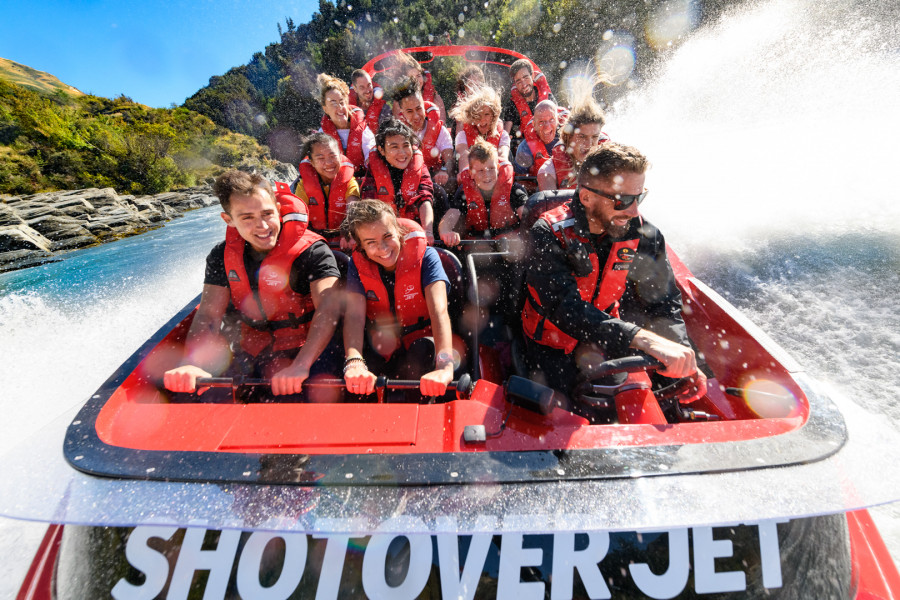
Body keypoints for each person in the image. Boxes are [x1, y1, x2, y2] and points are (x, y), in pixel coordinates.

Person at [522, 143, 706, 405]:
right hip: (552, 346)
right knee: (559, 418)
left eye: (639, 198)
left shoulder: (645, 234)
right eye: (623, 200)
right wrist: (641, 339)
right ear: (586, 197)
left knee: (634, 407)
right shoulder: (548, 232)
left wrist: (680, 351)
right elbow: (564, 308)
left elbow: (664, 303)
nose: (633, 211)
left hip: (608, 340)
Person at [163, 170, 342, 400]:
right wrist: (192, 363)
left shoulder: (313, 252)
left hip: (308, 351)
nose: (262, 225)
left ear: (278, 209)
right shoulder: (221, 256)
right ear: (228, 220)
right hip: (250, 353)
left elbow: (328, 312)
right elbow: (208, 315)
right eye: (247, 217)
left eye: (267, 213)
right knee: (194, 396)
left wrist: (300, 365)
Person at [341, 199, 455, 399]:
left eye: (387, 236)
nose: (383, 248)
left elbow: (439, 312)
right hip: (382, 342)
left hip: (423, 340)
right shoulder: (356, 266)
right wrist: (354, 360)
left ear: (398, 231)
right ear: (361, 247)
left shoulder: (427, 257)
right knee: (360, 373)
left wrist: (444, 366)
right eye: (371, 243)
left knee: (420, 354)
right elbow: (354, 317)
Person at [361, 119, 437, 244]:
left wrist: (427, 232)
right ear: (381, 150)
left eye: (406, 145)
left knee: (439, 193)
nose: (402, 153)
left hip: (415, 226)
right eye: (394, 147)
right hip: (386, 228)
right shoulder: (374, 168)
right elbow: (369, 205)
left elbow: (425, 199)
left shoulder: (418, 166)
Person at [439, 139, 527, 244]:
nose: (487, 175)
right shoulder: (464, 192)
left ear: (498, 169)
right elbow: (449, 219)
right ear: (471, 173)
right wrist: (446, 231)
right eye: (480, 170)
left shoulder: (514, 190)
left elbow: (529, 219)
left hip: (510, 249)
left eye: (491, 168)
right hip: (477, 249)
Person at [294, 132, 360, 247]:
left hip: (343, 239)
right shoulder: (303, 185)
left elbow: (353, 206)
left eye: (333, 156)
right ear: (311, 162)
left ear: (340, 155)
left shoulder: (349, 181)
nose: (329, 163)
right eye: (320, 158)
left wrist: (349, 231)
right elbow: (298, 212)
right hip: (313, 239)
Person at [392, 76, 454, 191]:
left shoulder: (439, 129)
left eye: (419, 109)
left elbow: (449, 160)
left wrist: (444, 171)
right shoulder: (395, 133)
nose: (416, 116)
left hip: (433, 180)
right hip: (407, 182)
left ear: (424, 104)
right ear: (402, 111)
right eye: (409, 111)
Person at [538, 99, 609, 191]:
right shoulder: (547, 172)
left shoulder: (611, 165)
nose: (589, 144)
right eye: (582, 136)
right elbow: (550, 205)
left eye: (595, 137)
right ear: (569, 137)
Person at [317, 73, 375, 177]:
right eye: (333, 103)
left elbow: (370, 153)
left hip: (362, 178)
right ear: (325, 109)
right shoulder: (322, 134)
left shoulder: (363, 129)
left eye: (341, 102)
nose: (339, 107)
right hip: (337, 180)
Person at [448, 85, 511, 175]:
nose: (482, 120)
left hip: (495, 179)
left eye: (486, 114)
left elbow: (503, 160)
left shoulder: (503, 135)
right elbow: (464, 164)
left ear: (493, 115)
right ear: (472, 117)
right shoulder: (462, 136)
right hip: (472, 180)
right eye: (478, 115)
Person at [502, 59, 557, 141]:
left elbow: (560, 123)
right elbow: (506, 134)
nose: (524, 85)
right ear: (515, 84)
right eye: (518, 81)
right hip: (526, 148)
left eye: (526, 77)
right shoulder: (512, 105)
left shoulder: (548, 98)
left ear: (532, 76)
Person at [391, 51, 447, 123]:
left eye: (418, 76)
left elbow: (442, 124)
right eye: (412, 78)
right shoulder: (398, 103)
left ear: (423, 76)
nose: (417, 81)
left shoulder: (436, 98)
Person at [513, 99, 561, 177]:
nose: (547, 127)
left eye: (551, 120)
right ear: (534, 125)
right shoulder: (525, 148)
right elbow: (520, 181)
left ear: (557, 120)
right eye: (541, 122)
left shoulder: (567, 142)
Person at [349, 69, 390, 134]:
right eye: (362, 87)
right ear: (355, 89)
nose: (367, 91)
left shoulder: (384, 109)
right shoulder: (347, 110)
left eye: (369, 85)